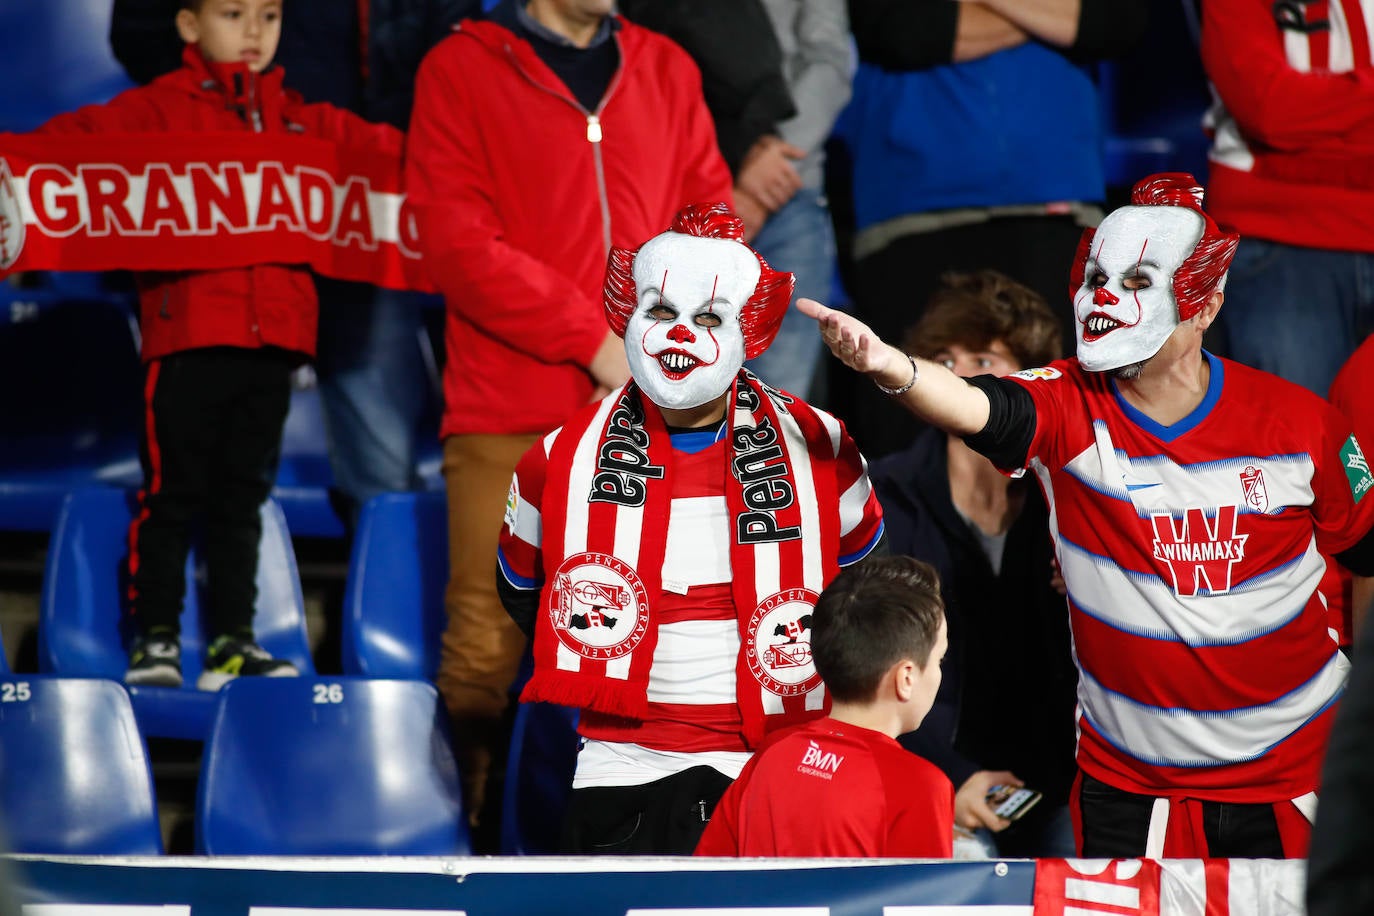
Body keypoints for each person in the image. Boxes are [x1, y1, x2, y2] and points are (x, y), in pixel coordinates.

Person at [802, 172, 1374, 859]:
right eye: (1096, 276)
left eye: (1136, 282)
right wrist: (892, 367)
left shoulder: (1305, 425)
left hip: (1298, 778)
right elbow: (978, 406)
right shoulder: (1069, 405)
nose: (1103, 297)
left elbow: (1368, 558)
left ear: (1205, 305)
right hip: (1132, 792)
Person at [405, 0, 734, 843]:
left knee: (663, 638)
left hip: (650, 410)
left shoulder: (667, 64)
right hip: (507, 406)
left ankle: (645, 845)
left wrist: (667, 345)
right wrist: (593, 340)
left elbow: (712, 226)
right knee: (484, 646)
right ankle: (462, 850)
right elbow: (453, 239)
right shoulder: (461, 66)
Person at [33, 0, 404, 688]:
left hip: (273, 345)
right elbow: (62, 152)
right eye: (234, 14)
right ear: (187, 25)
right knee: (171, 497)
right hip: (187, 341)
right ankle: (156, 640)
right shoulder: (154, 111)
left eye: (269, 15)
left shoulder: (302, 117)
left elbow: (393, 161)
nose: (254, 32)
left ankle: (234, 641)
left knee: (241, 501)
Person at [497, 203, 886, 855]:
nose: (681, 337)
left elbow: (864, 595)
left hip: (783, 762)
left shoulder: (825, 445)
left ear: (750, 331)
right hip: (619, 769)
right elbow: (522, 595)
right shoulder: (555, 456)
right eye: (661, 313)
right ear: (629, 317)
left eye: (708, 318)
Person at [108, 0, 476, 530]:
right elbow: (142, 28)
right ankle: (210, 605)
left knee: (380, 464)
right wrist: (218, 114)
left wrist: (402, 154)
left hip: (364, 208)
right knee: (212, 455)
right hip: (234, 212)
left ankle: (381, 602)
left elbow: (457, 45)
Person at [833, 0, 1148, 459]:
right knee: (906, 433)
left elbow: (1113, 22)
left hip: (1055, 205)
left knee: (1069, 432)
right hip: (911, 209)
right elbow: (903, 29)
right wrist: (1056, 20)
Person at [870, 270, 1077, 858]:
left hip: (1064, 780)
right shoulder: (882, 494)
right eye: (941, 357)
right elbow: (864, 668)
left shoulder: (1073, 495)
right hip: (926, 778)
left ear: (1029, 380)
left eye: (982, 356)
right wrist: (948, 777)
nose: (955, 374)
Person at [695, 555, 952, 858]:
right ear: (906, 676)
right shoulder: (919, 786)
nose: (939, 673)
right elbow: (925, 902)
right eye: (939, 660)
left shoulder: (773, 751)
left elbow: (709, 877)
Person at [1201, 0, 1374, 398]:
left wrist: (1318, 112)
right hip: (1278, 238)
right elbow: (1268, 109)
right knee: (1293, 453)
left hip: (1280, 218)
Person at [741, 0, 853, 401]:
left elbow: (829, 60)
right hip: (683, 183)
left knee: (775, 410)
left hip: (791, 190)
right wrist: (737, 162)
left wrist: (769, 167)